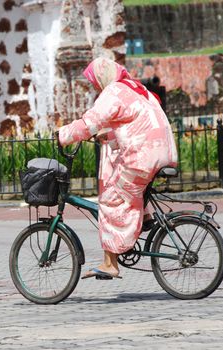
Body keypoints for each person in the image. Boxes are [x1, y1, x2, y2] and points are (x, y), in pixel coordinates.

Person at [58, 57, 178, 280]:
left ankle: (109, 263)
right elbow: (137, 124)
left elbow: (89, 123)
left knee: (111, 198)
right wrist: (110, 135)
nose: (95, 85)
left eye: (94, 80)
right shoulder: (135, 88)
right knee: (128, 189)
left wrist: (62, 136)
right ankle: (145, 217)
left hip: (144, 155)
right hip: (163, 151)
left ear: (102, 76)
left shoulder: (113, 91)